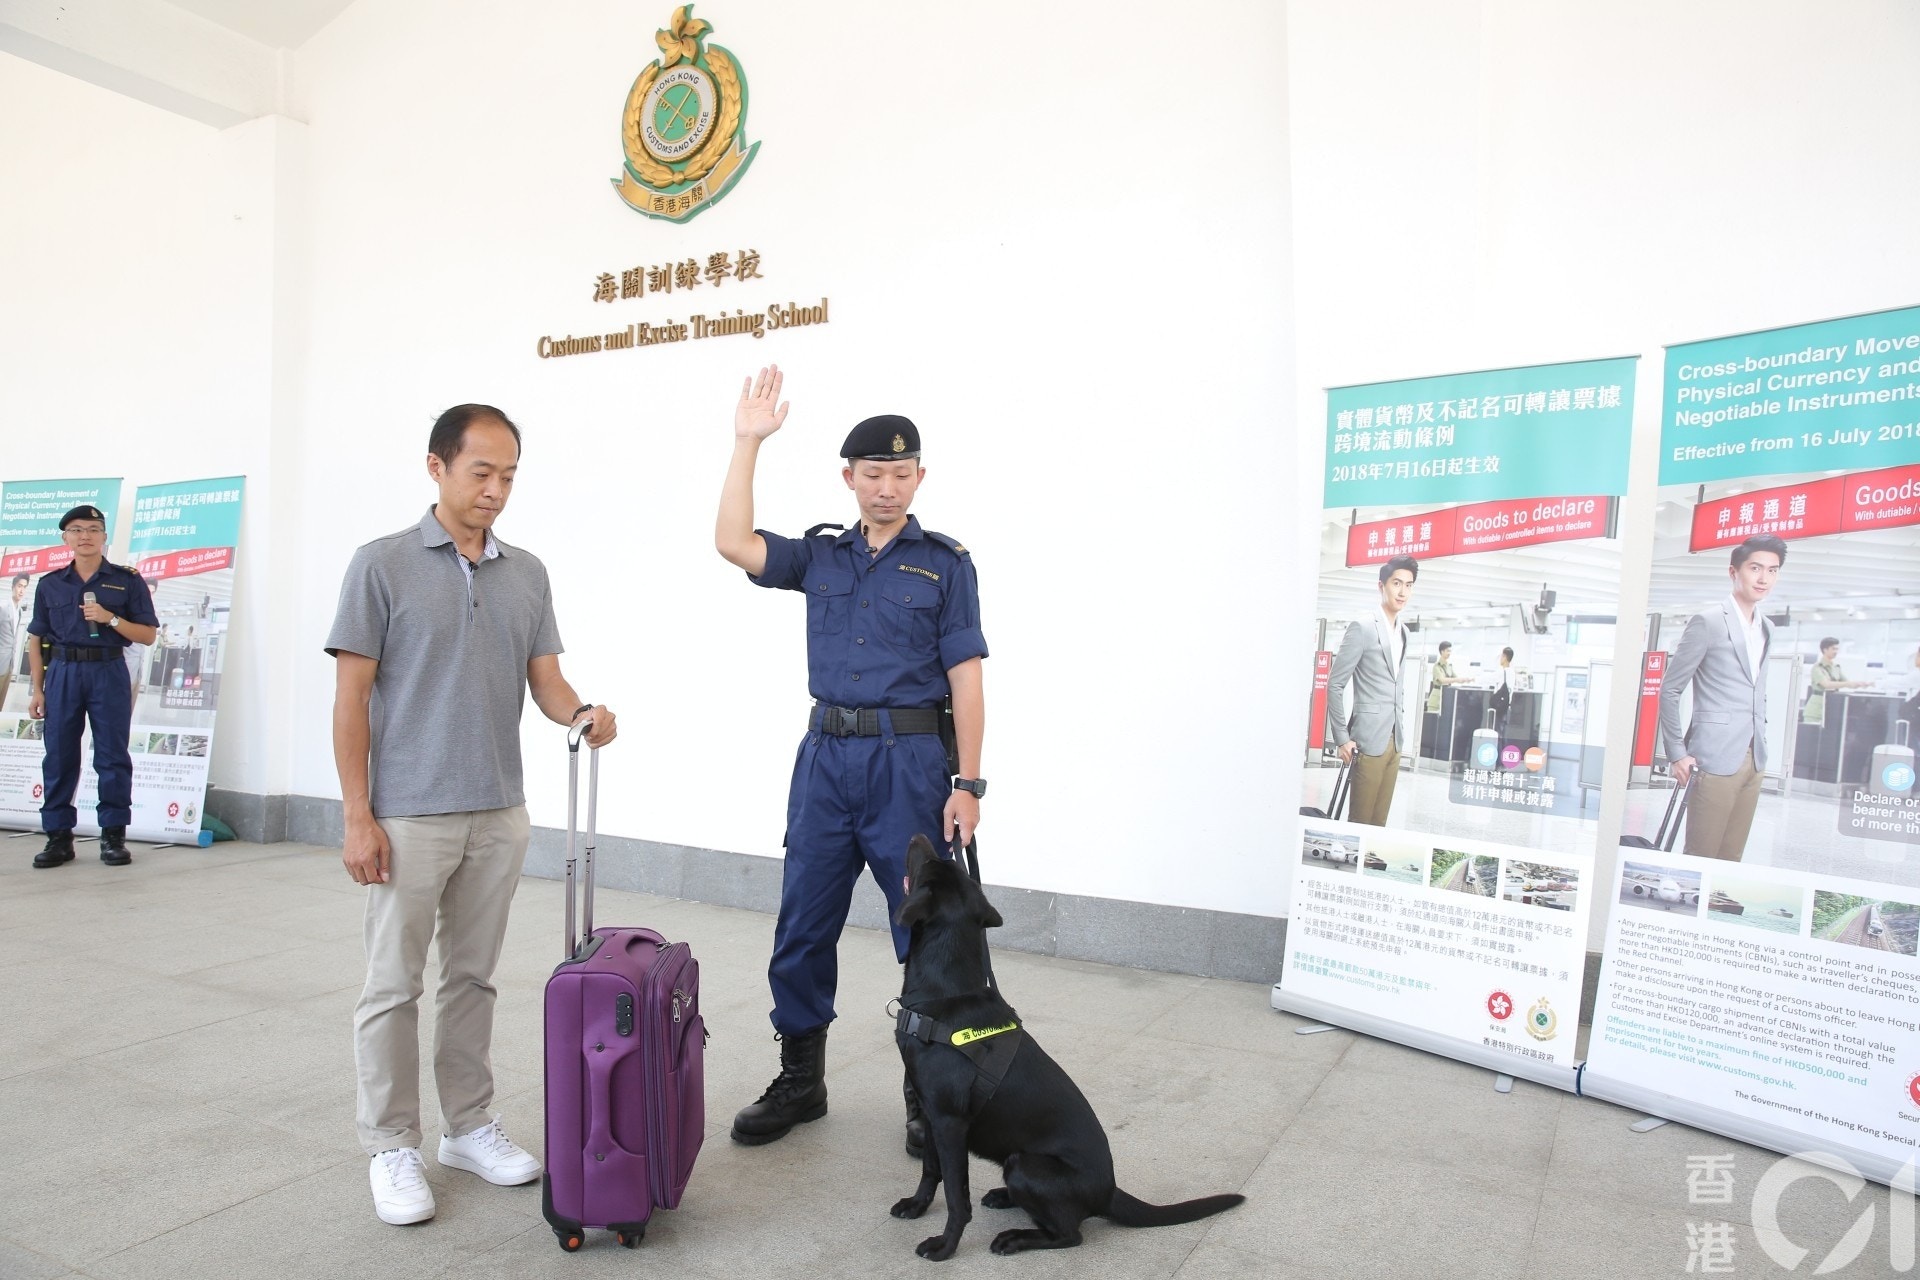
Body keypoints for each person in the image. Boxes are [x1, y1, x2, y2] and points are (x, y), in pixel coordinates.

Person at [326, 404, 618, 1226]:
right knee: (393, 985)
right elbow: (350, 698)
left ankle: (467, 1126)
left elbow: (547, 681)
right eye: (481, 472)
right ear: (438, 467)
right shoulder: (381, 564)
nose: (495, 489)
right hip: (408, 815)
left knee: (472, 979)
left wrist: (581, 714)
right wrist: (357, 815)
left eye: (509, 476)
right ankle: (391, 1143)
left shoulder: (526, 573)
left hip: (498, 810)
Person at [715, 364, 987, 1157]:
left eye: (901, 474)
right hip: (826, 762)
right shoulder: (822, 557)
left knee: (925, 935)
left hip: (910, 766)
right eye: (873, 474)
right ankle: (801, 1080)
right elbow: (733, 542)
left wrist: (968, 782)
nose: (887, 488)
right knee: (803, 923)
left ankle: (926, 1093)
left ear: (919, 477)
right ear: (849, 478)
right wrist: (747, 442)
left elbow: (967, 679)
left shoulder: (946, 564)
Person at [24, 507, 159, 867]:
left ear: (104, 537)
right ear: (65, 537)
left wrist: (110, 618)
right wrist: (37, 690)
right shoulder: (50, 583)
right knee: (59, 755)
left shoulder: (127, 581)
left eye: (93, 529)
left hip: (108, 670)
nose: (85, 536)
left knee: (112, 756)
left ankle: (113, 836)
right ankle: (58, 838)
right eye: (77, 529)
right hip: (63, 672)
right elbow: (35, 639)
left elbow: (147, 635)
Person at [1658, 534, 1784, 861]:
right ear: (1733, 572)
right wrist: (1676, 753)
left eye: (1772, 570)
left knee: (1731, 858)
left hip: (1754, 757)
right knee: (1700, 855)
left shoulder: (1767, 627)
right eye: (1755, 568)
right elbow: (1670, 689)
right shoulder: (1708, 621)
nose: (1763, 578)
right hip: (1713, 757)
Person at [1327, 555, 1416, 826]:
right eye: (1396, 583)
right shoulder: (1363, 627)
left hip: (1395, 740)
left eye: (1409, 585)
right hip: (1367, 740)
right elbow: (1335, 684)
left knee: (1379, 825)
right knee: (1360, 822)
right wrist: (1342, 738)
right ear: (1382, 586)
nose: (1402, 592)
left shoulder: (1404, 632)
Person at [1800, 637, 1870, 726]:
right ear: (1825, 650)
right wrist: (1847, 684)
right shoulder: (1817, 668)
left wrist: (1861, 684)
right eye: (1833, 649)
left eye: (1837, 649)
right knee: (1812, 731)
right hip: (1816, 708)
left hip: (1830, 707)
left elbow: (1848, 683)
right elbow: (1826, 684)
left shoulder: (1836, 667)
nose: (1836, 651)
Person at [0, 573, 28, 708]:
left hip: (9, 663)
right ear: (13, 587)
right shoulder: (3, 608)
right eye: (19, 586)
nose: (21, 590)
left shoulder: (19, 611)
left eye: (25, 587)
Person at [1424, 640, 1469, 714]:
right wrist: (1457, 679)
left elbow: (1456, 678)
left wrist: (1466, 679)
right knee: (1432, 719)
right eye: (1448, 651)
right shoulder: (1437, 666)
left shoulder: (1449, 666)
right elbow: (1442, 680)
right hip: (1436, 698)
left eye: (1450, 651)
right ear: (1442, 651)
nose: (1449, 653)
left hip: (1445, 697)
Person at [1492, 646, 1515, 733]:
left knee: (1498, 731)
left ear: (1505, 657)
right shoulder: (1512, 672)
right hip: (1507, 706)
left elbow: (1490, 679)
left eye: (1501, 656)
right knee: (1503, 732)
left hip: (1500, 707)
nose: (1500, 659)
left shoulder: (1502, 672)